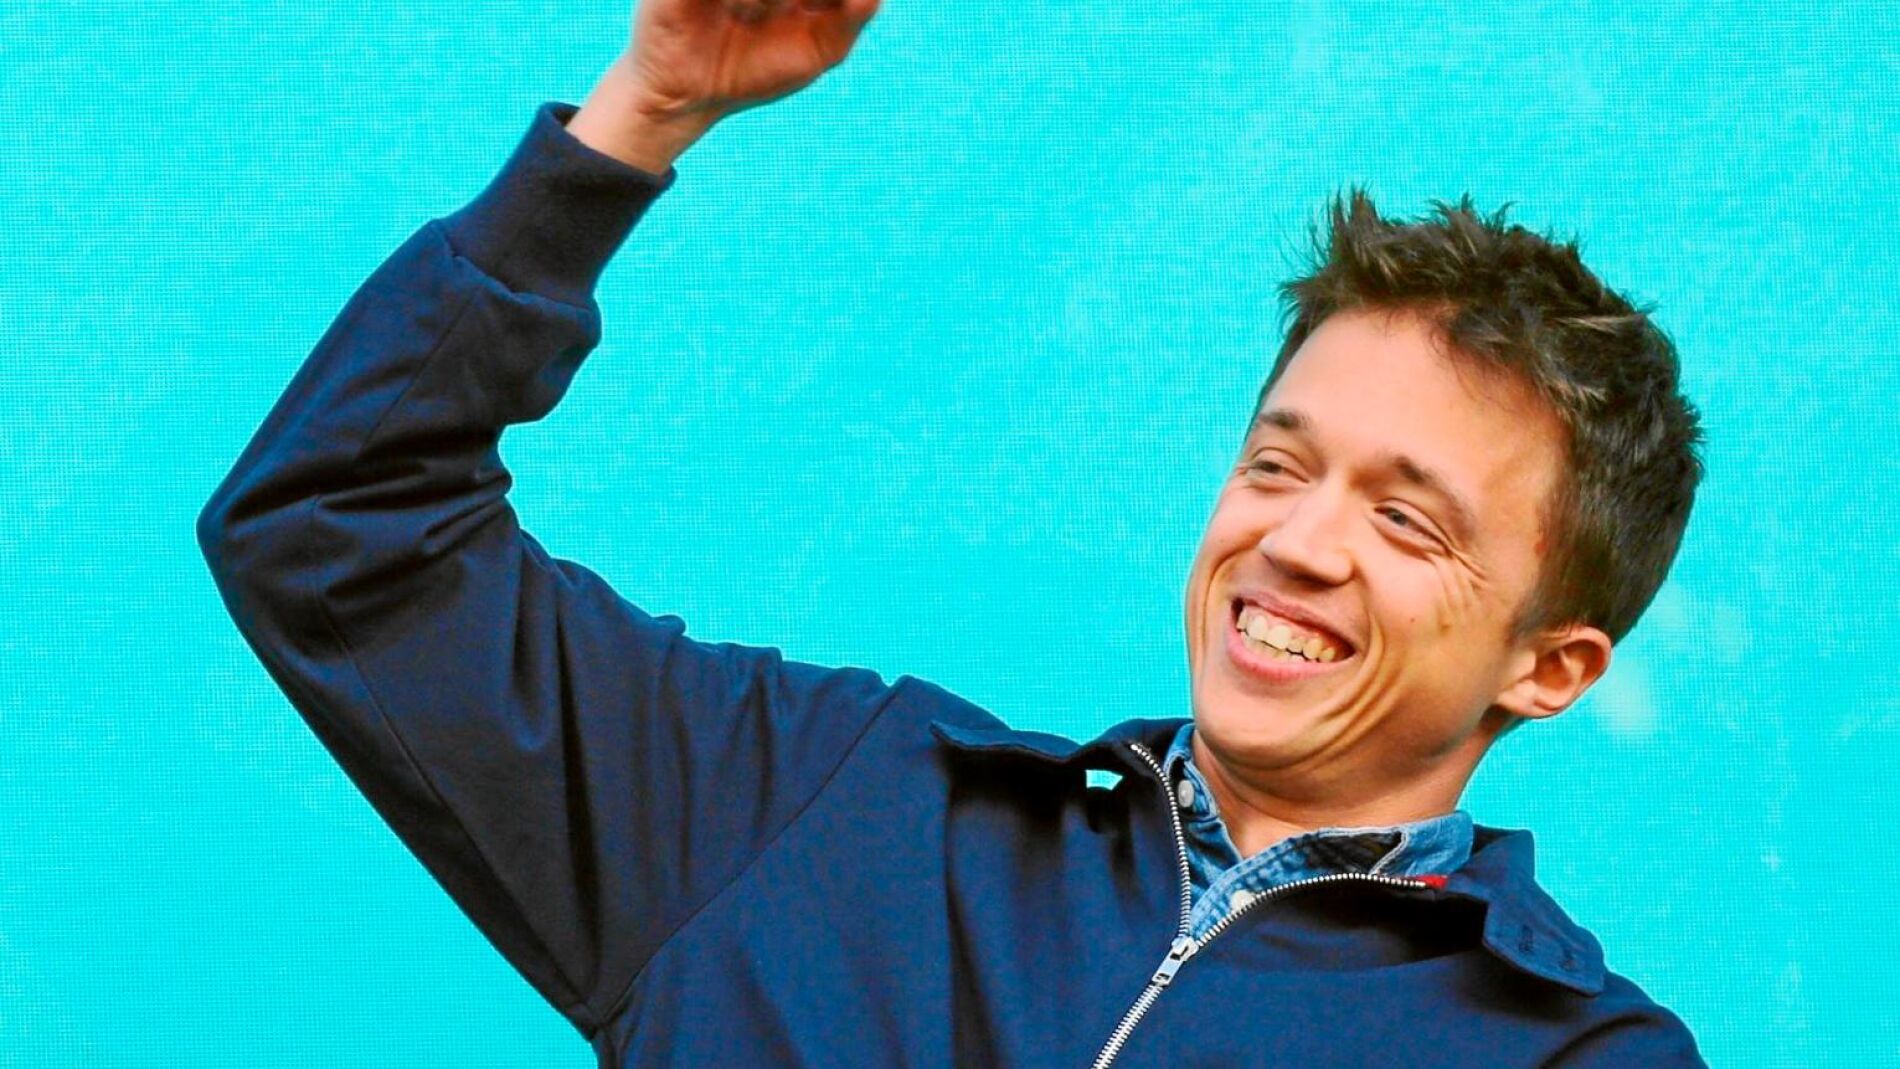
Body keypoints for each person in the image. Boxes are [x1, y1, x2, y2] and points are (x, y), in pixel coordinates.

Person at [196, 0, 1710, 1064]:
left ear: (1553, 663)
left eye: (1405, 518)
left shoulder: (1574, 1057)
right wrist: (641, 115)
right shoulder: (828, 802)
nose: (1298, 543)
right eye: (1277, 462)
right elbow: (337, 529)